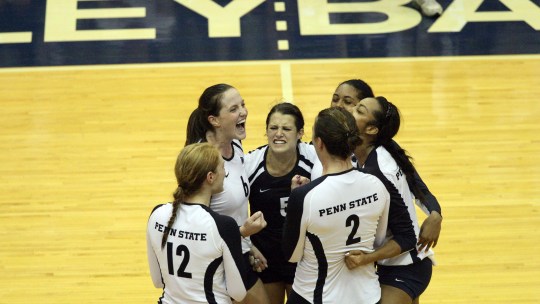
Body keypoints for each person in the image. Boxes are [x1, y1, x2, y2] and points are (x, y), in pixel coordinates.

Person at [282, 107, 416, 304]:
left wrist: (296, 200)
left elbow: (292, 255)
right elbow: (394, 237)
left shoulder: (305, 196)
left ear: (319, 143)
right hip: (367, 296)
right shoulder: (377, 185)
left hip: (316, 296)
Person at [344, 96, 441, 304]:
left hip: (407, 267)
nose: (351, 111)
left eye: (359, 110)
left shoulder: (377, 173)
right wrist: (436, 214)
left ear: (371, 130)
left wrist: (365, 258)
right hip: (391, 264)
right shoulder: (383, 149)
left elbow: (406, 238)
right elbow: (417, 185)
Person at [330, 79, 442, 253]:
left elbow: (417, 187)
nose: (338, 106)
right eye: (335, 99)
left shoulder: (381, 161)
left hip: (397, 253)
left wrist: (435, 214)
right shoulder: (330, 142)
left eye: (349, 103)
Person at [185, 83, 270, 304]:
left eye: (242, 104)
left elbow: (233, 213)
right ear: (214, 120)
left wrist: (248, 245)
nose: (243, 112)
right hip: (215, 265)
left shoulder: (235, 144)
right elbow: (194, 230)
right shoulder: (202, 162)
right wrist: (242, 234)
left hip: (236, 251)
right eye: (233, 109)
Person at [146, 143, 248, 303]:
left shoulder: (157, 214)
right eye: (222, 167)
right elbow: (238, 293)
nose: (225, 172)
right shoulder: (223, 226)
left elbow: (158, 281)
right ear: (210, 177)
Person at [244, 102, 318, 304]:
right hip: (264, 258)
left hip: (303, 258)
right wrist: (247, 245)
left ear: (300, 133)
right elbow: (234, 210)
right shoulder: (249, 164)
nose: (279, 134)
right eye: (273, 128)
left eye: (286, 129)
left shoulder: (314, 161)